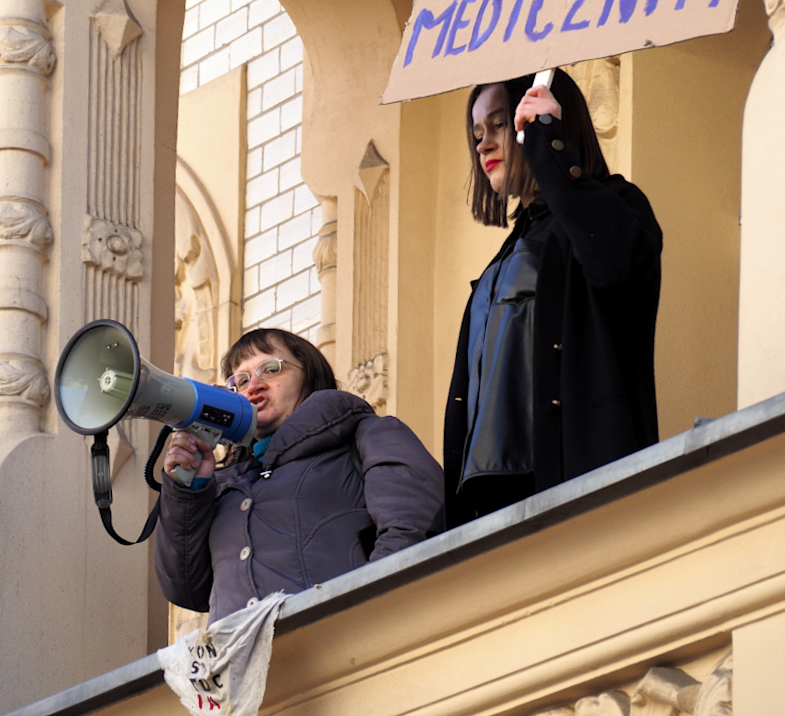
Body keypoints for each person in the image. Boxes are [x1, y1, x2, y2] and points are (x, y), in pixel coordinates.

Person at [444, 71, 662, 528]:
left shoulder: (615, 204)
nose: (484, 144)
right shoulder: (507, 253)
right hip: (493, 511)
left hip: (574, 492)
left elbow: (616, 265)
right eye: (478, 133)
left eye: (500, 124)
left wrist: (551, 147)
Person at [155, 327, 444, 620]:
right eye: (240, 381)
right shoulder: (228, 484)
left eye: (270, 369)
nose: (253, 385)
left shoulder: (367, 435)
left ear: (309, 375)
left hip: (342, 638)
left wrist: (364, 615)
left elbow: (410, 529)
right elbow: (186, 589)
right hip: (240, 650)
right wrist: (187, 491)